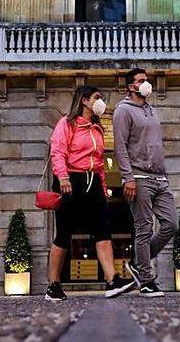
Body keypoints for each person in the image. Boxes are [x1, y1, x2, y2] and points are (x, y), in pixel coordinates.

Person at [44, 85, 136, 302]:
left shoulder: (97, 127)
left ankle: (112, 280)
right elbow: (57, 151)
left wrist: (103, 188)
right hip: (71, 180)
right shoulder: (67, 123)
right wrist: (63, 177)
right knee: (64, 233)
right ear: (84, 101)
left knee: (103, 230)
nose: (100, 101)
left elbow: (100, 163)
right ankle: (53, 286)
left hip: (93, 181)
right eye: (97, 97)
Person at [115, 68, 178, 298]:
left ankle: (137, 263)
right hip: (139, 177)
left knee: (172, 224)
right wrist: (127, 177)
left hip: (160, 177)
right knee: (144, 228)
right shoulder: (123, 111)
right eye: (141, 81)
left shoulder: (151, 109)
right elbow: (120, 147)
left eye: (147, 80)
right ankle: (147, 280)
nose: (146, 84)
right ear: (131, 86)